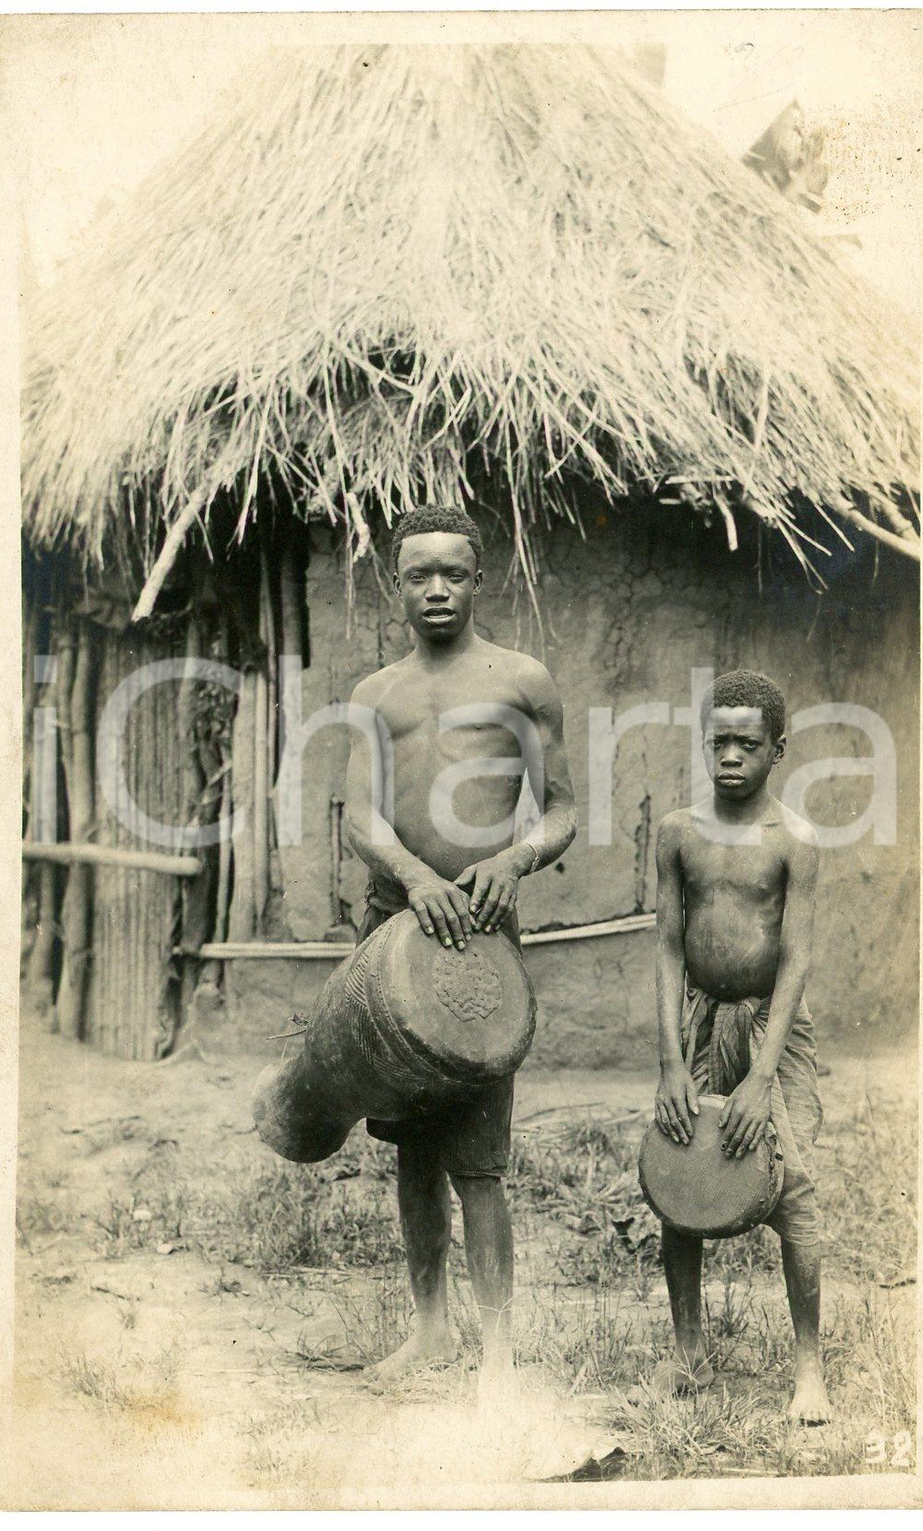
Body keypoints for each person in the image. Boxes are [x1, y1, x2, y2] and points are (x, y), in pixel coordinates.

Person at [343, 504, 577, 1386]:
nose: (435, 588)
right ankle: (431, 1327)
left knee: (479, 1157)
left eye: (452, 572)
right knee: (410, 1144)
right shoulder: (375, 695)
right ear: (395, 585)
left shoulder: (523, 680)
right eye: (417, 574)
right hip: (394, 930)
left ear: (481, 579)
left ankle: (500, 1354)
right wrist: (413, 876)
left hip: (480, 932)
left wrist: (511, 861)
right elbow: (360, 813)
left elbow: (561, 810)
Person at [644, 669, 829, 1424]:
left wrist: (758, 1079)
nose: (729, 756)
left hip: (773, 1031)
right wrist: (668, 1062)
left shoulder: (796, 840)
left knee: (796, 1187)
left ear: (776, 749)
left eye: (746, 743)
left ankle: (809, 1366)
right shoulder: (678, 832)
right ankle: (689, 1350)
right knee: (679, 1170)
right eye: (717, 740)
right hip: (695, 1022)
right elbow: (663, 947)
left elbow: (797, 960)